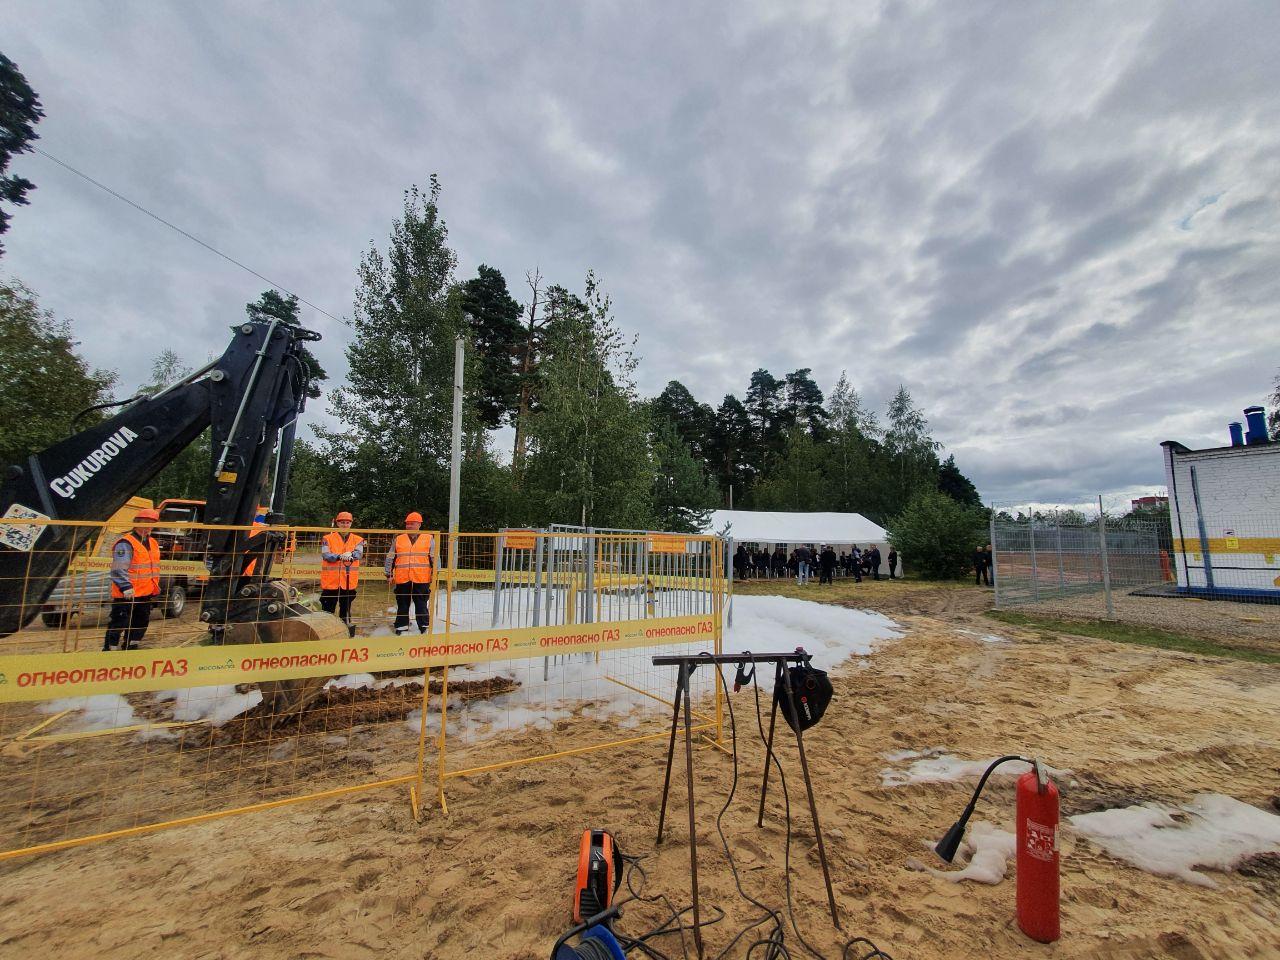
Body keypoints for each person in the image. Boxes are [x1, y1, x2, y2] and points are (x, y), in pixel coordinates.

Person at [103, 508, 162, 651]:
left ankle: (131, 646)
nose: (148, 526)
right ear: (137, 523)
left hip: (146, 592)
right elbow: (118, 568)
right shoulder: (126, 543)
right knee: (119, 623)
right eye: (145, 522)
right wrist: (125, 587)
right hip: (127, 594)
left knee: (141, 622)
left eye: (152, 523)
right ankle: (110, 651)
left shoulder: (152, 542)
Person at [385, 511, 434, 634]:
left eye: (412, 524)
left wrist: (436, 573)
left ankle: (424, 626)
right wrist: (389, 574)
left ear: (419, 525)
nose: (409, 526)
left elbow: (434, 557)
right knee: (402, 603)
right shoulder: (398, 539)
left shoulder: (429, 538)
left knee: (421, 603)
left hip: (422, 578)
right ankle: (401, 626)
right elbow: (390, 557)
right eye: (407, 524)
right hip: (402, 577)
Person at [321, 511, 365, 636]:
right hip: (331, 582)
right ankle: (325, 632)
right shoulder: (327, 538)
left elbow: (359, 554)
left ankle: (345, 632)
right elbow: (326, 555)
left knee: (345, 610)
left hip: (348, 581)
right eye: (342, 522)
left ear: (351, 523)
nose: (344, 524)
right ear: (337, 523)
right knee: (327, 610)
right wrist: (340, 556)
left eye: (347, 522)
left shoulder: (358, 539)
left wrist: (351, 555)